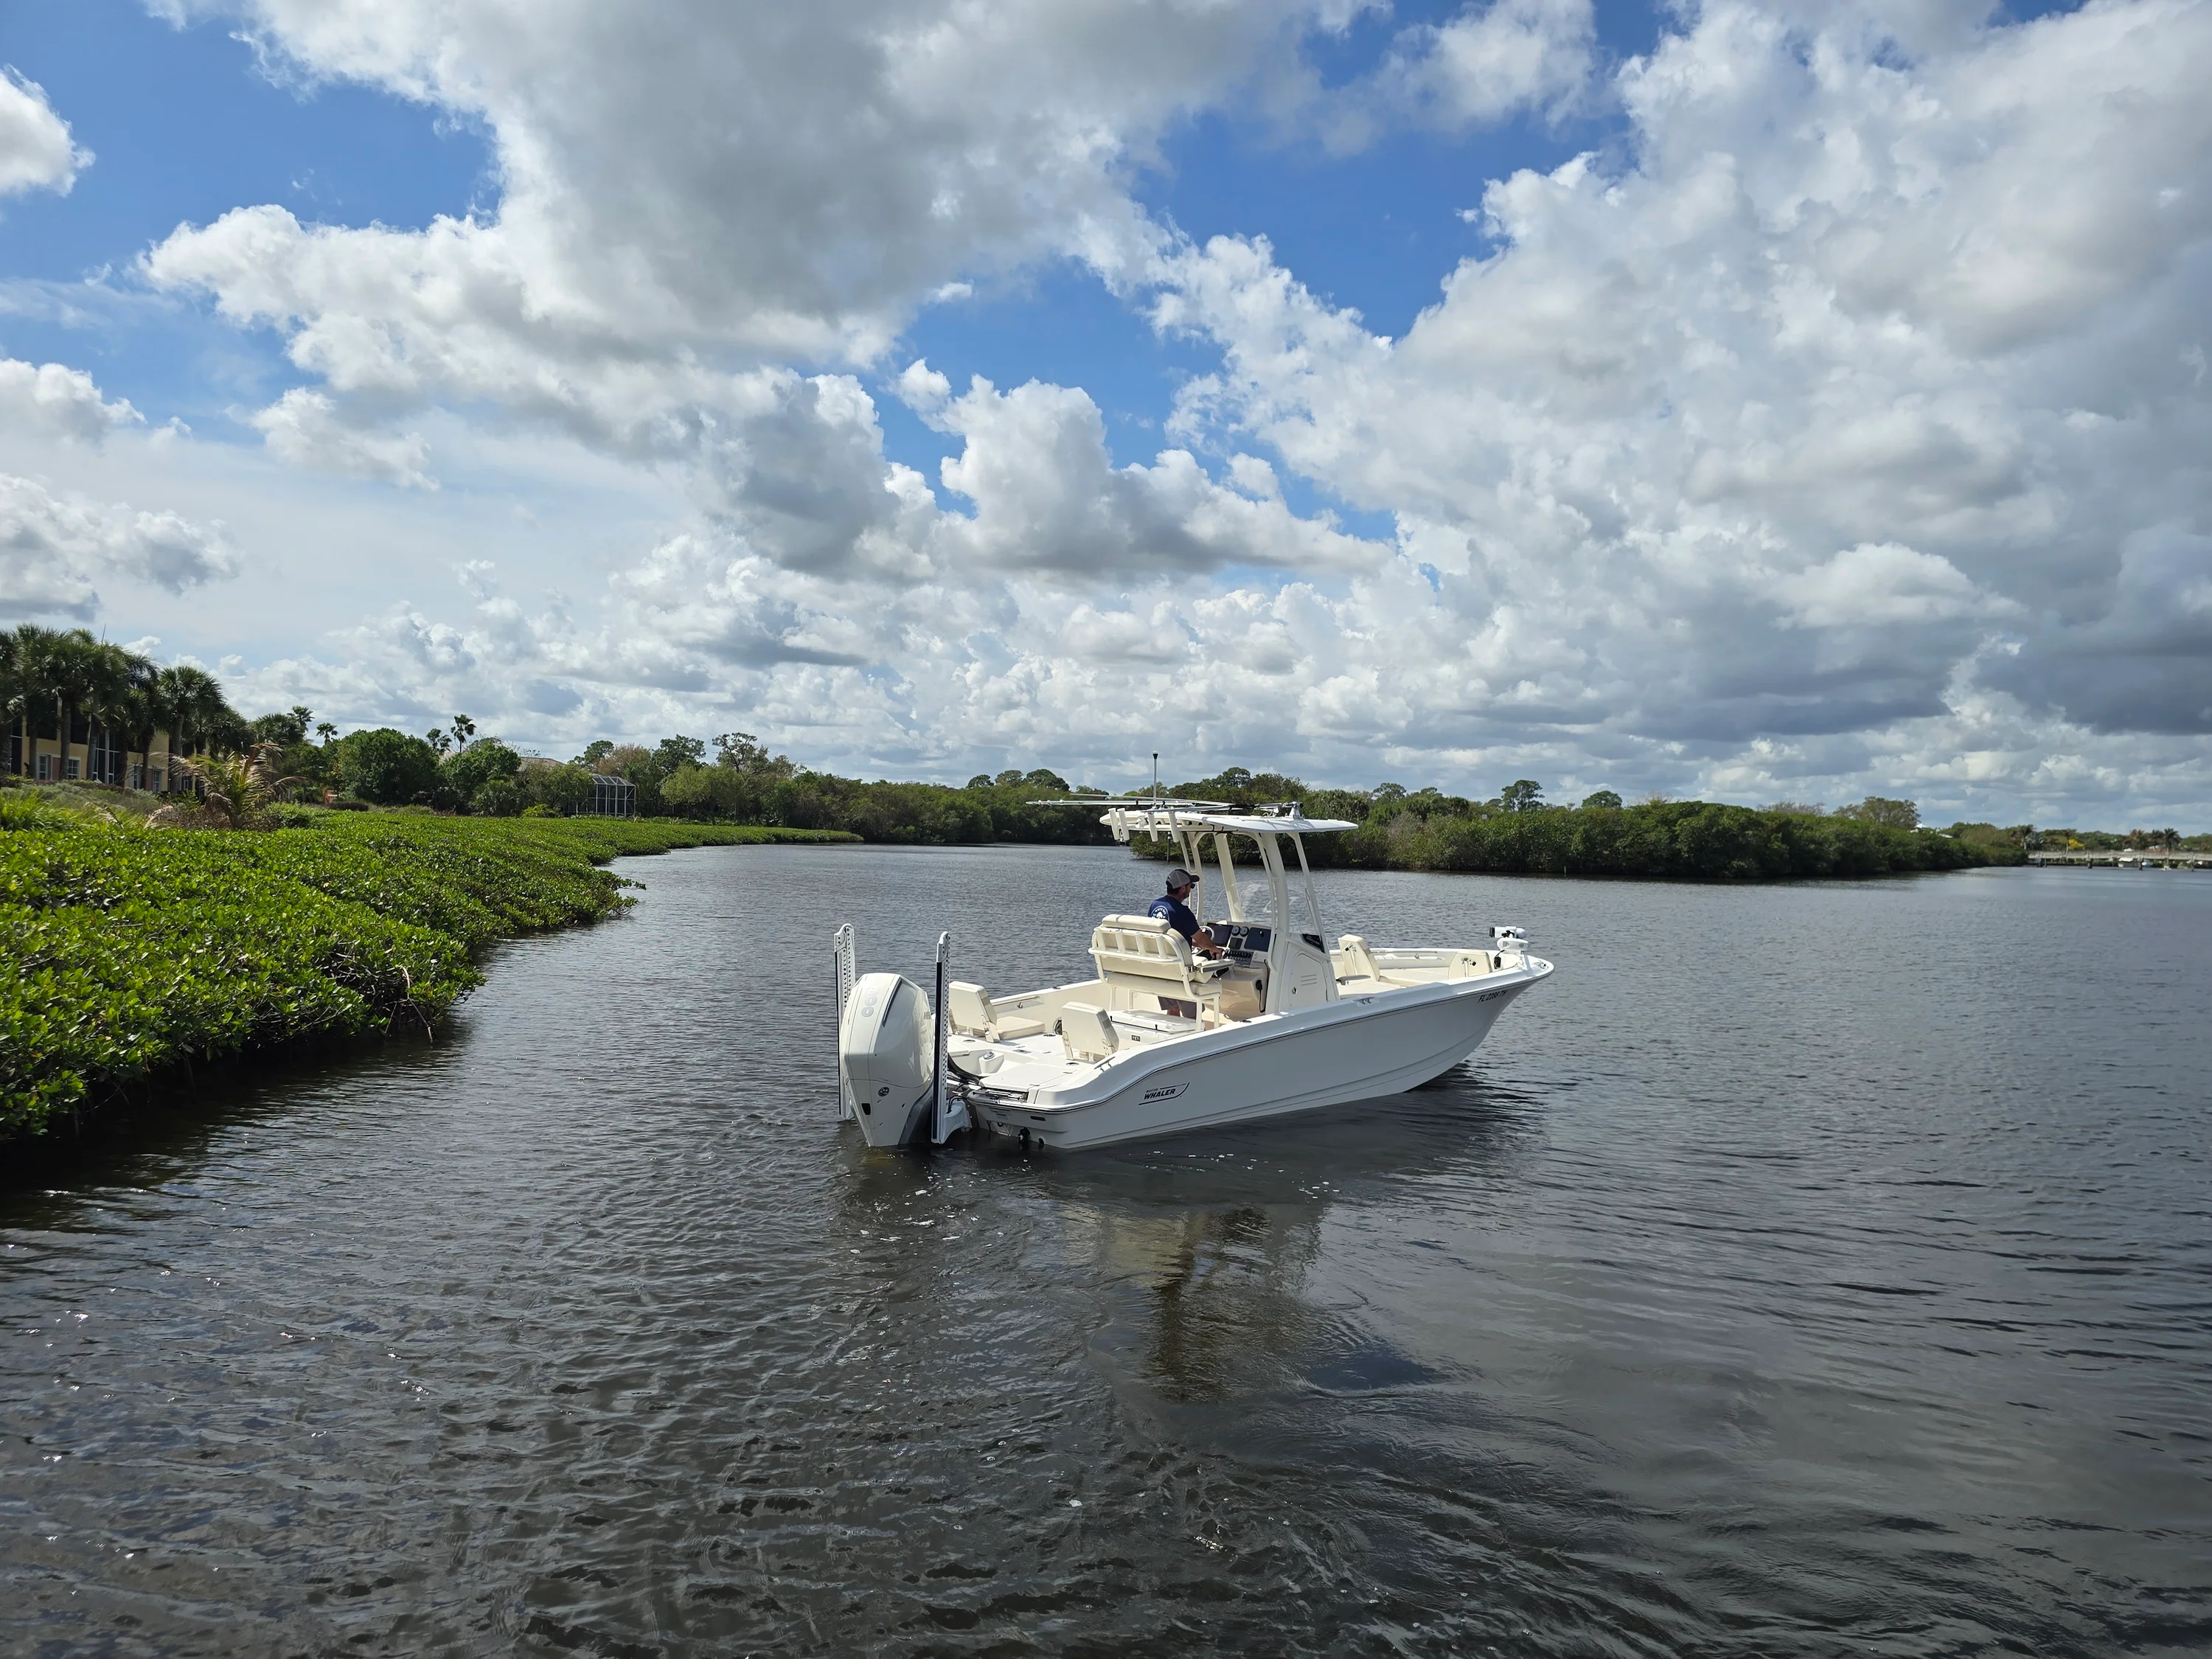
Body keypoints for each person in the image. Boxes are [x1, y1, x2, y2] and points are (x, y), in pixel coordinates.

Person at [1148, 868, 1224, 957]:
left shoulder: (1155, 905)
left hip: (1160, 957)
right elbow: (1201, 939)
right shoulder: (1182, 912)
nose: (1191, 889)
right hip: (1179, 962)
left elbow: (1174, 938)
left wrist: (1206, 946)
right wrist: (1214, 948)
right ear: (1183, 888)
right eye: (1191, 886)